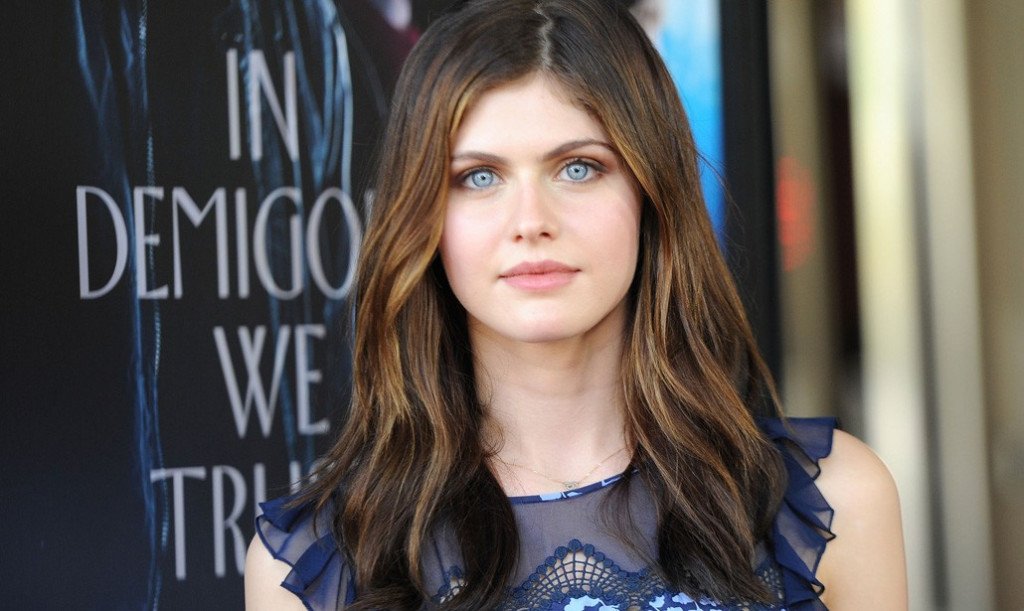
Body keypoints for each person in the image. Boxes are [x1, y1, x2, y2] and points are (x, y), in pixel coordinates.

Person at [245, 0, 907, 609]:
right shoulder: (309, 565)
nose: (531, 221)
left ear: (650, 193)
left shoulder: (834, 502)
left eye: (578, 167)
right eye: (479, 177)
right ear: (424, 217)